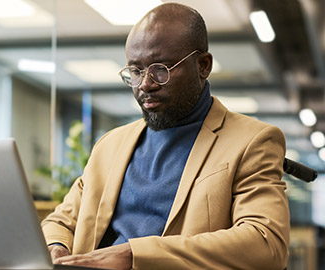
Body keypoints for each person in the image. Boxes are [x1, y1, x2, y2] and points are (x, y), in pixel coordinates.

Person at [42, 3, 290, 270]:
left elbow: (266, 243)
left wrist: (134, 255)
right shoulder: (110, 145)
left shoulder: (252, 141)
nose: (146, 84)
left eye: (161, 69)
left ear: (203, 65)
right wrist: (56, 248)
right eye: (135, 71)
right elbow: (60, 222)